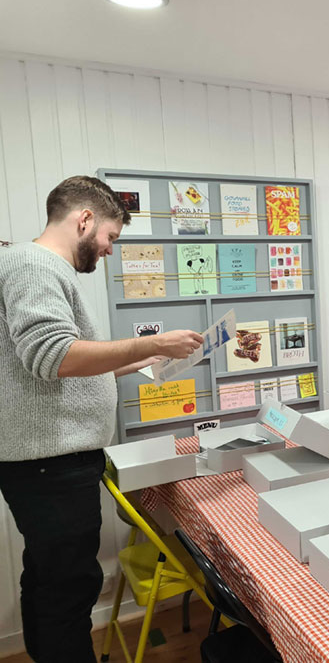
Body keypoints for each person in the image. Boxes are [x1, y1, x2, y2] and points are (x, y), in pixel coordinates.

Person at [0, 176, 203, 663]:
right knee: (64, 589)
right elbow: (53, 356)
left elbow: (65, 358)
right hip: (48, 465)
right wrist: (154, 343)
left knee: (61, 581)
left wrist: (138, 362)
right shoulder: (32, 263)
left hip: (54, 463)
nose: (110, 249)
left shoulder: (43, 267)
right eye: (111, 236)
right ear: (84, 220)